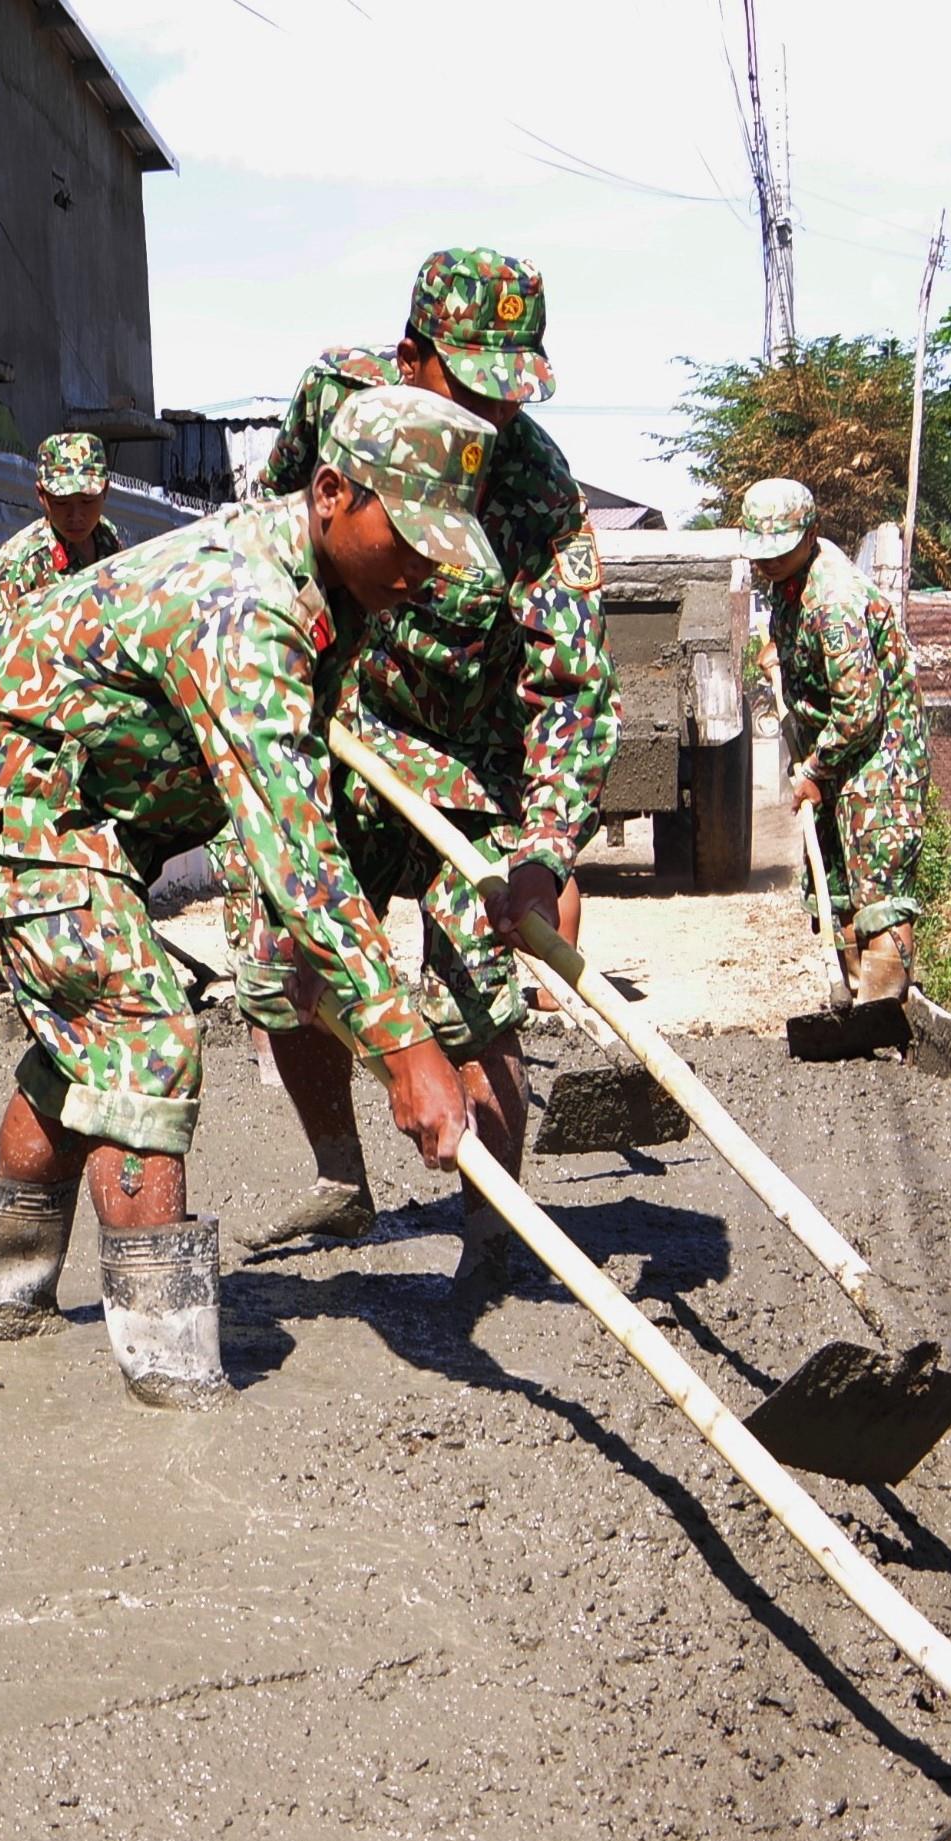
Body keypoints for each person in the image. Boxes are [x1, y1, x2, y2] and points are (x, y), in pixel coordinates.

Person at [0, 384, 492, 1407]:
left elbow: (315, 760)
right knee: (143, 1031)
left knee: (85, 1035)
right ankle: (169, 1374)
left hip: (89, 797)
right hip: (12, 785)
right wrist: (405, 1044)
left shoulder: (339, 587)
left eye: (442, 545)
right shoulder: (246, 603)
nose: (423, 566)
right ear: (331, 492)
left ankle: (0, 1294)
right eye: (407, 535)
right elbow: (290, 837)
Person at [227, 247, 619, 1283]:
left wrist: (544, 845)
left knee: (476, 993)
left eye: (511, 392)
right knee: (286, 953)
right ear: (412, 357)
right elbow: (281, 531)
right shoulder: (337, 399)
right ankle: (340, 1179)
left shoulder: (535, 489)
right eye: (472, 385)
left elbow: (571, 682)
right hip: (348, 730)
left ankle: (494, 1232)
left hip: (469, 762)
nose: (493, 418)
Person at [742, 477, 930, 1003]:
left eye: (779, 551)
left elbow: (859, 710)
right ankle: (851, 1008)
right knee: (838, 887)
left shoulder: (835, 597)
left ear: (811, 533)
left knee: (879, 894)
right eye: (761, 553)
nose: (768, 563)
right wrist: (781, 657)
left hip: (879, 757)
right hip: (839, 752)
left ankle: (882, 1013)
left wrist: (812, 772)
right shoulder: (788, 587)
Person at [0, 431, 125, 627]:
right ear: (41, 495)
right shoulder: (20, 562)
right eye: (62, 503)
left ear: (105, 491)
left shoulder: (108, 539)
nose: (76, 516)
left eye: (87, 501)